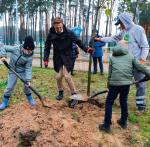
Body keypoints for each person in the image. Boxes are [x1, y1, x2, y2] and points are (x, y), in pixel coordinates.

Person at [96, 12, 149, 114]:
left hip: (137, 62)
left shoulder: (138, 29)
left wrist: (142, 60)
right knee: (123, 82)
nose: (120, 26)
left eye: (121, 23)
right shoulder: (124, 31)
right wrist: (100, 39)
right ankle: (121, 101)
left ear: (126, 21)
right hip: (126, 63)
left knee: (141, 84)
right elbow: (113, 38)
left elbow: (145, 46)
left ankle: (141, 106)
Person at [99, 41, 150, 133]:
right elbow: (141, 67)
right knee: (123, 101)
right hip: (126, 84)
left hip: (114, 84)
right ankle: (123, 122)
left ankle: (106, 125)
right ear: (126, 47)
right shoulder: (131, 57)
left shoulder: (112, 58)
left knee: (109, 102)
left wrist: (109, 85)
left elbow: (110, 74)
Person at [43, 17, 93, 107]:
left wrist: (86, 49)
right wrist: (45, 59)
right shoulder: (51, 34)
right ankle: (60, 92)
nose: (58, 29)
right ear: (54, 26)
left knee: (66, 75)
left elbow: (78, 42)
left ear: (62, 24)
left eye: (59, 27)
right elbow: (47, 47)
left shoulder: (69, 33)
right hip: (58, 57)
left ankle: (74, 95)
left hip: (68, 56)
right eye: (56, 28)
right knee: (58, 77)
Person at [0, 36, 36, 110]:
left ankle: (30, 99)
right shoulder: (15, 49)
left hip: (22, 71)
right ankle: (5, 102)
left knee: (27, 85)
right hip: (12, 70)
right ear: (24, 47)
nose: (29, 52)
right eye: (28, 50)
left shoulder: (30, 56)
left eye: (31, 51)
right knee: (9, 87)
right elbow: (3, 47)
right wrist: (3, 56)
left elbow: (28, 68)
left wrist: (28, 80)